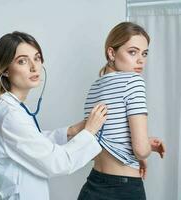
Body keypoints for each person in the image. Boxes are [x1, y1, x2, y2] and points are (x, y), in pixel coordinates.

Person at [0, 31, 107, 200]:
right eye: (22, 61)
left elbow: (32, 141)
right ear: (5, 70)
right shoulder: (9, 114)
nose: (34, 67)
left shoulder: (12, 108)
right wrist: (90, 132)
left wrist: (71, 131)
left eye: (37, 58)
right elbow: (56, 163)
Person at [77, 22, 166, 200]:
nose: (141, 59)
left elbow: (104, 135)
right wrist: (146, 148)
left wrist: (142, 142)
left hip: (93, 183)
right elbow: (140, 150)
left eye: (144, 53)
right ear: (111, 53)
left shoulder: (95, 87)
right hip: (123, 189)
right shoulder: (133, 81)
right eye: (132, 52)